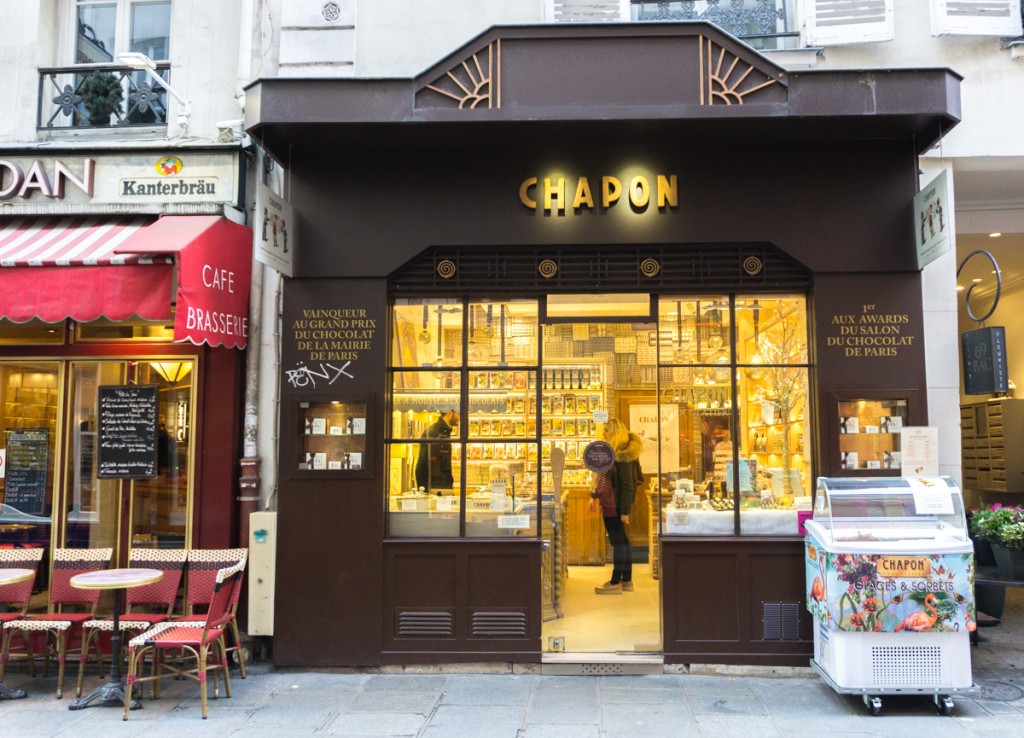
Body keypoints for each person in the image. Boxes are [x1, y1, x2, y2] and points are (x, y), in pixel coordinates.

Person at [591, 418, 643, 595]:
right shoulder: (613, 452)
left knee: (618, 544)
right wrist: (594, 495)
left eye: (607, 430)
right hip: (612, 504)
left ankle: (615, 582)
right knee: (623, 542)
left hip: (615, 505)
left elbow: (628, 484)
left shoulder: (622, 455)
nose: (604, 433)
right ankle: (626, 580)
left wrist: (625, 511)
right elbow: (604, 478)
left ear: (615, 432)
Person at [415, 410, 459, 494]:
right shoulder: (433, 433)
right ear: (449, 413)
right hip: (436, 489)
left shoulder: (444, 433)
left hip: (443, 488)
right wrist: (424, 492)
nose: (460, 417)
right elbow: (422, 465)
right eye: (458, 413)